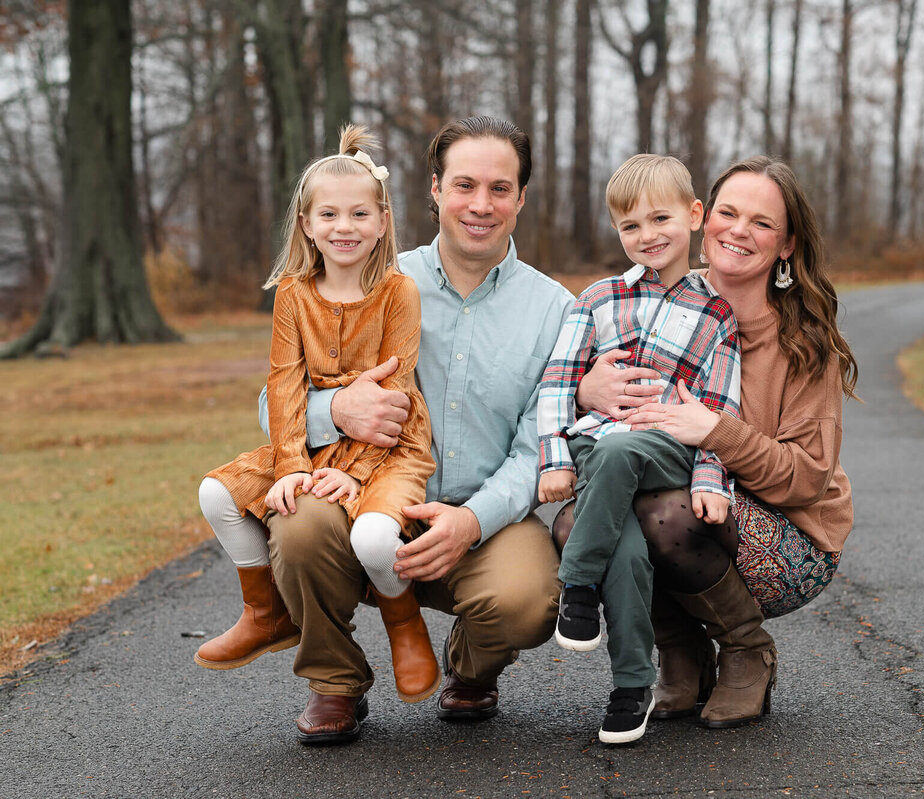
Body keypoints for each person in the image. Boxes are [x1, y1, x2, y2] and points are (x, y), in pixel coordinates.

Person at [258, 116, 574, 744]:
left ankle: (472, 667)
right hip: (363, 498)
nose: (480, 205)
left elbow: (540, 444)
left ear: (521, 198)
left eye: (500, 188)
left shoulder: (556, 309)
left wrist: (473, 520)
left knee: (527, 599)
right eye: (464, 184)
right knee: (298, 527)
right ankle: (335, 681)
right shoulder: (368, 278)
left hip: (486, 518)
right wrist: (338, 410)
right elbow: (272, 406)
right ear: (434, 189)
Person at [572, 156, 858, 729]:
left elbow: (807, 478)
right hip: (675, 502)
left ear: (786, 245)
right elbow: (590, 393)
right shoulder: (656, 305)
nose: (738, 230)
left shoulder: (807, 346)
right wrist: (587, 390)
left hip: (788, 537)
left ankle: (746, 649)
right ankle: (681, 649)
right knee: (575, 522)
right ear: (704, 220)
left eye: (761, 223)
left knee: (661, 514)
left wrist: (715, 432)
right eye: (728, 212)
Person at [196, 125, 440, 706]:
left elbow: (395, 398)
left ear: (382, 221)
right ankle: (265, 611)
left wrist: (353, 473)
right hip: (310, 447)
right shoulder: (292, 294)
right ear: (307, 224)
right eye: (328, 215)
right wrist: (288, 468)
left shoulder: (398, 292)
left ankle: (404, 623)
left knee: (377, 537)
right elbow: (283, 384)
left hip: (391, 447)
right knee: (215, 493)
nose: (344, 227)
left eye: (359, 214)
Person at [537, 154, 740, 745]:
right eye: (630, 226)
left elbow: (718, 412)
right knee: (624, 554)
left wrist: (708, 481)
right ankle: (631, 683)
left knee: (628, 451)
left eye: (660, 219)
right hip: (600, 451)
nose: (646, 236)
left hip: (667, 452)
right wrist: (554, 457)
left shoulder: (718, 314)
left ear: (695, 216)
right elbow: (558, 379)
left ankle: (576, 583)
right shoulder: (596, 299)